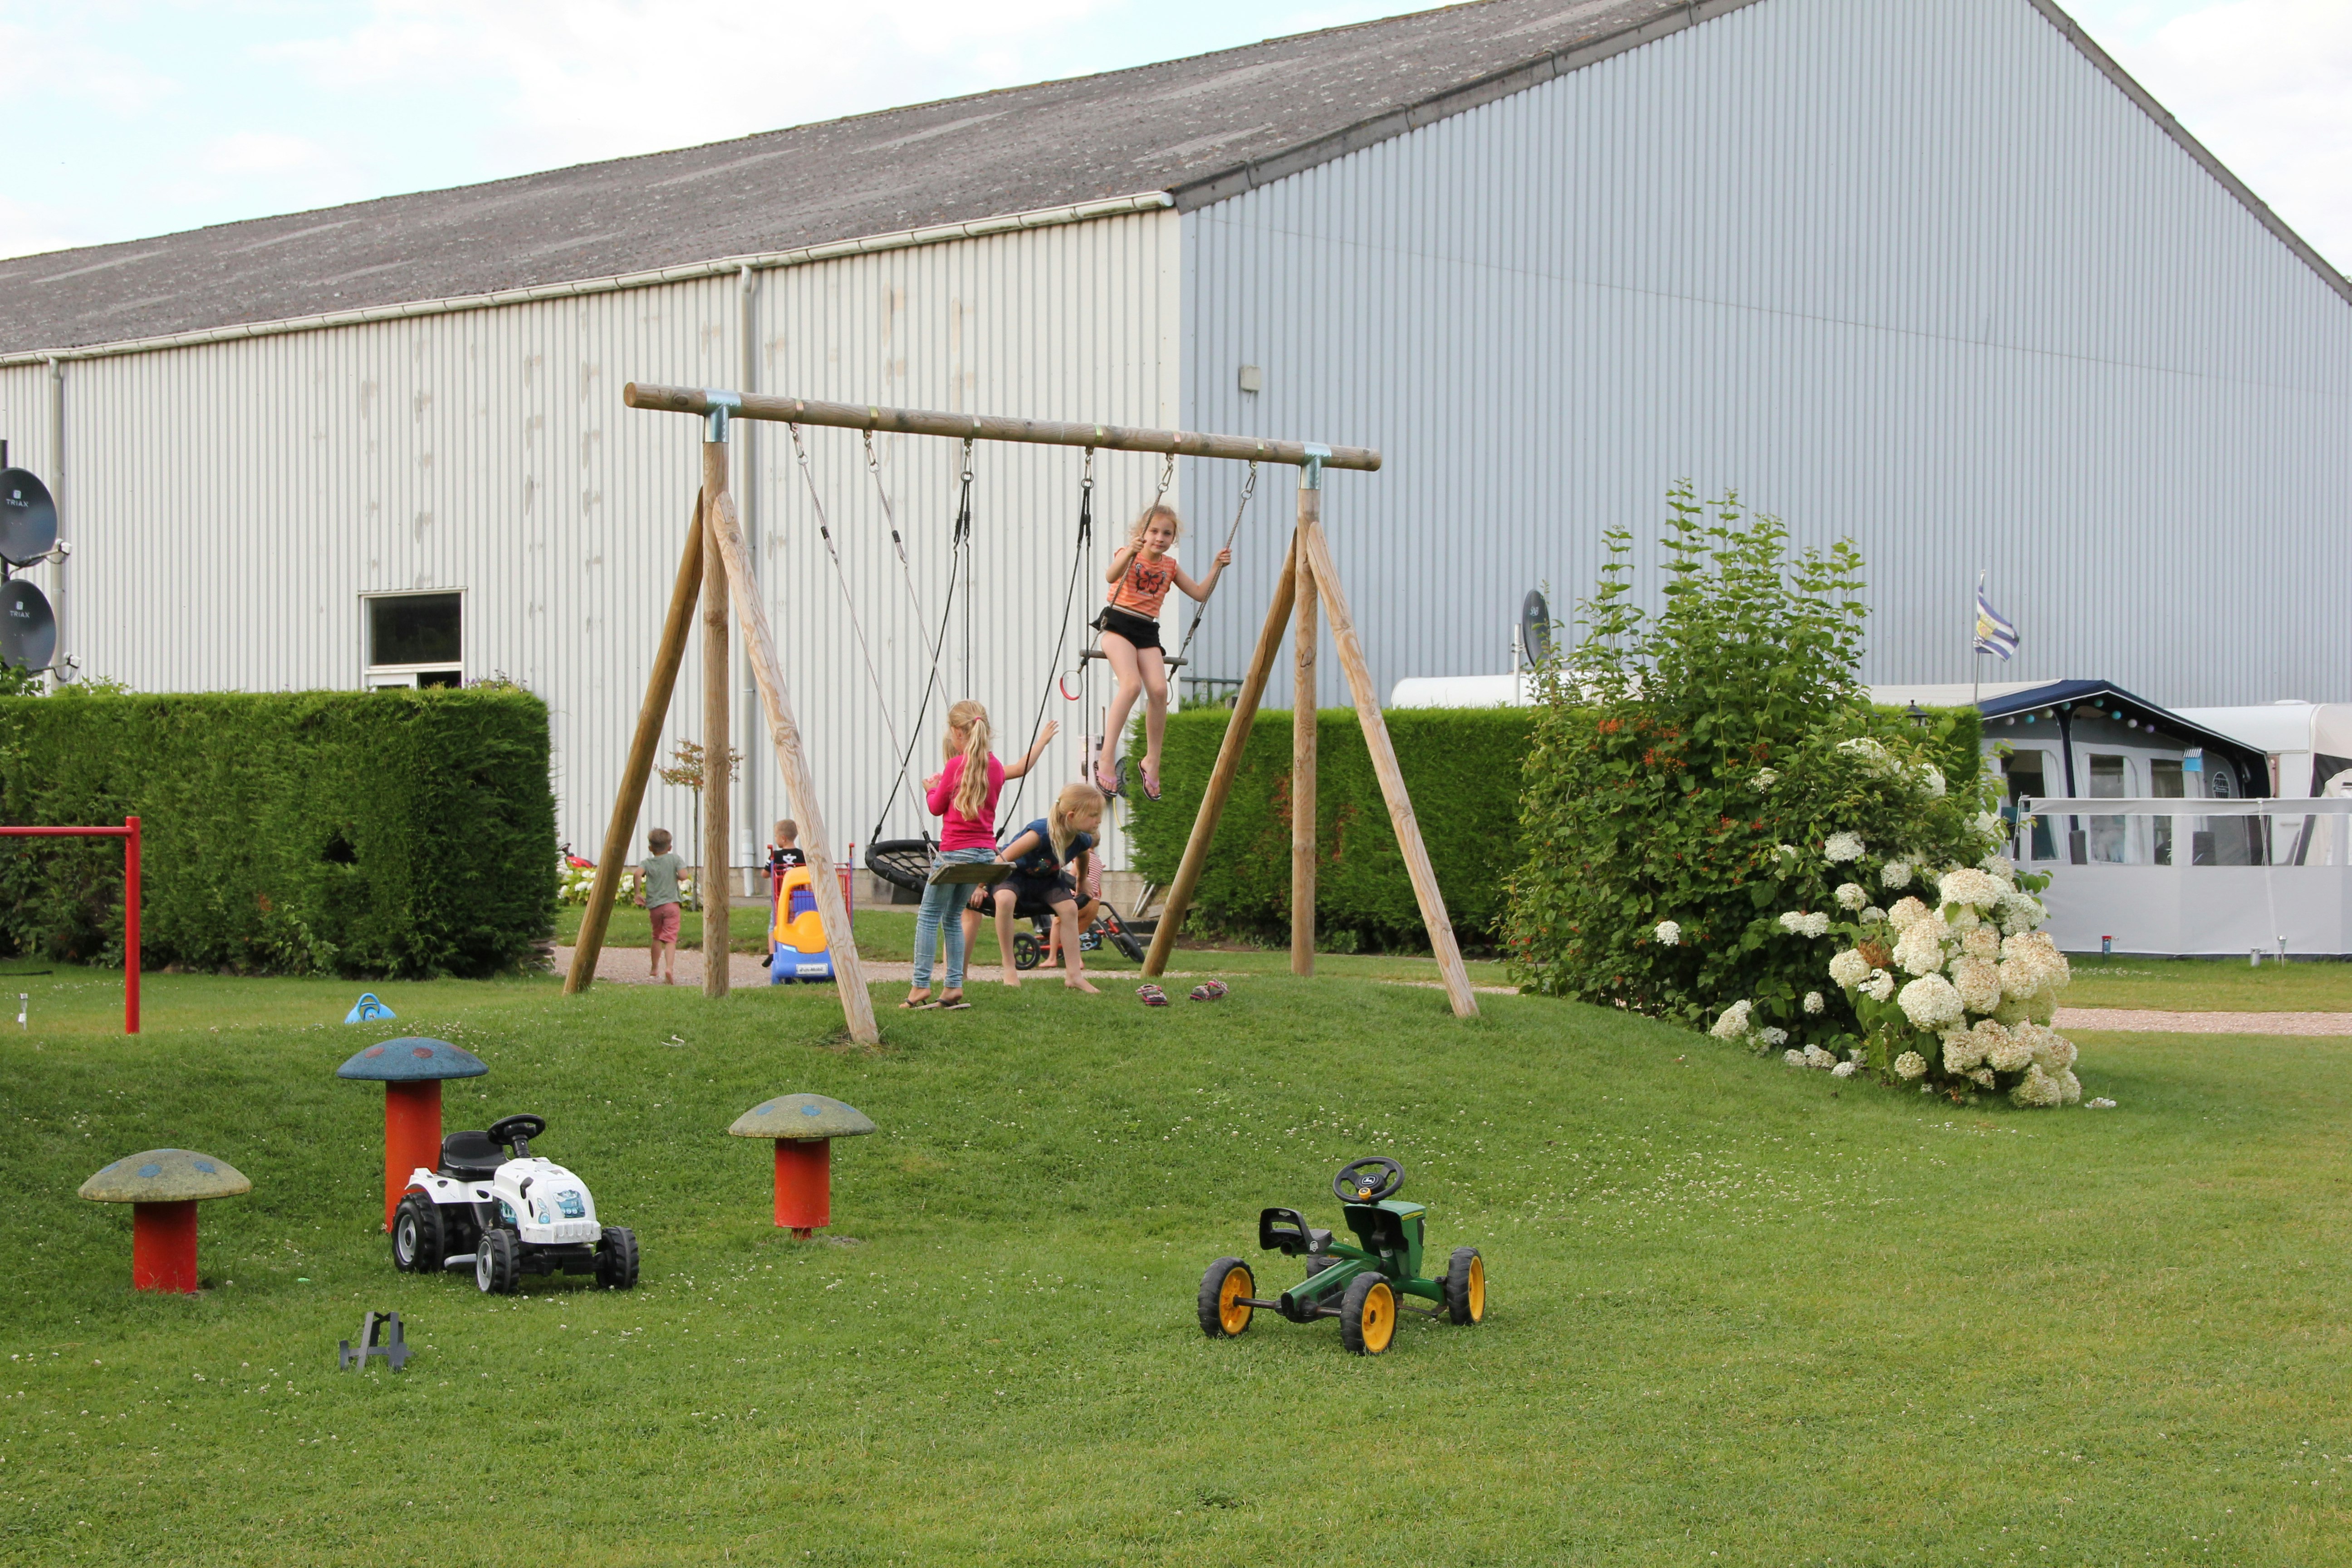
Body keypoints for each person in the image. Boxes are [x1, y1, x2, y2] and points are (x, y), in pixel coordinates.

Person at [905, 701, 1055, 1010]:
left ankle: (920, 986)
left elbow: (936, 808)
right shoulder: (996, 767)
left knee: (929, 916)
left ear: (959, 733)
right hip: (984, 857)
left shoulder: (953, 767)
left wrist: (930, 788)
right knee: (952, 917)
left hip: (954, 855)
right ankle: (953, 986)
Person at [1091, 501, 1230, 801]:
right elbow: (1110, 576)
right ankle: (1106, 758)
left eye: (1167, 534)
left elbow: (1199, 593)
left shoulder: (1170, 566)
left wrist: (1216, 567)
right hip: (1117, 624)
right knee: (1131, 686)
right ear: (1141, 533)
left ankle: (1151, 761)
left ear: (1173, 539)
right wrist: (1130, 551)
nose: (1159, 538)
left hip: (1146, 631)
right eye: (1154, 531)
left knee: (1158, 690)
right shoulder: (1127, 554)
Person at [964, 781, 1107, 992]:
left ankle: (1074, 975)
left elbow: (1083, 855)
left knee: (1069, 909)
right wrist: (979, 886)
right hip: (1014, 874)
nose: (1099, 820)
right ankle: (1009, 967)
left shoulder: (1082, 838)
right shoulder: (1040, 833)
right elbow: (1003, 859)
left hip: (1047, 880)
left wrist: (1081, 880)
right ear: (1072, 816)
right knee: (1005, 900)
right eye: (1093, 815)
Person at [638, 828, 686, 985]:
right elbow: (684, 876)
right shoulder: (675, 859)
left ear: (650, 848)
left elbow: (637, 874)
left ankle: (654, 967)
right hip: (672, 905)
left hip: (655, 906)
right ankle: (669, 968)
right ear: (670, 847)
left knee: (657, 936)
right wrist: (678, 876)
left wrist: (637, 893)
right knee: (671, 938)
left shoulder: (647, 863)